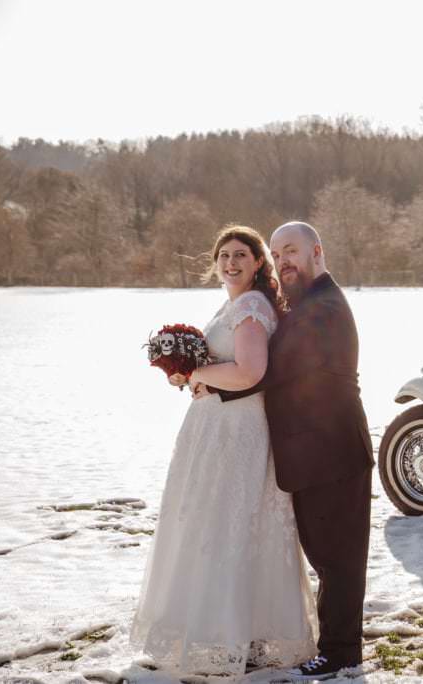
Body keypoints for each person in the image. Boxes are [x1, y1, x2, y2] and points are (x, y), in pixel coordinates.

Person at [131, 226, 316, 677]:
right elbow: (222, 368)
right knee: (212, 525)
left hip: (236, 432)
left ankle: (231, 635)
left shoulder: (251, 306)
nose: (231, 263)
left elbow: (251, 372)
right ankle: (224, 629)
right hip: (215, 428)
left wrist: (198, 370)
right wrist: (187, 374)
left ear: (258, 263)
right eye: (223, 255)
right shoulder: (234, 304)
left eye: (240, 255)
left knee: (227, 526)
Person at [201, 221, 374, 680]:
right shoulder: (305, 302)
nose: (284, 263)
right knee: (326, 556)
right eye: (277, 256)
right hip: (314, 452)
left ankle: (341, 654)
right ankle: (336, 647)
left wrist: (210, 380)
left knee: (338, 560)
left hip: (334, 449)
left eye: (291, 251)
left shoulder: (325, 306)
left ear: (317, 251)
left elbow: (275, 369)